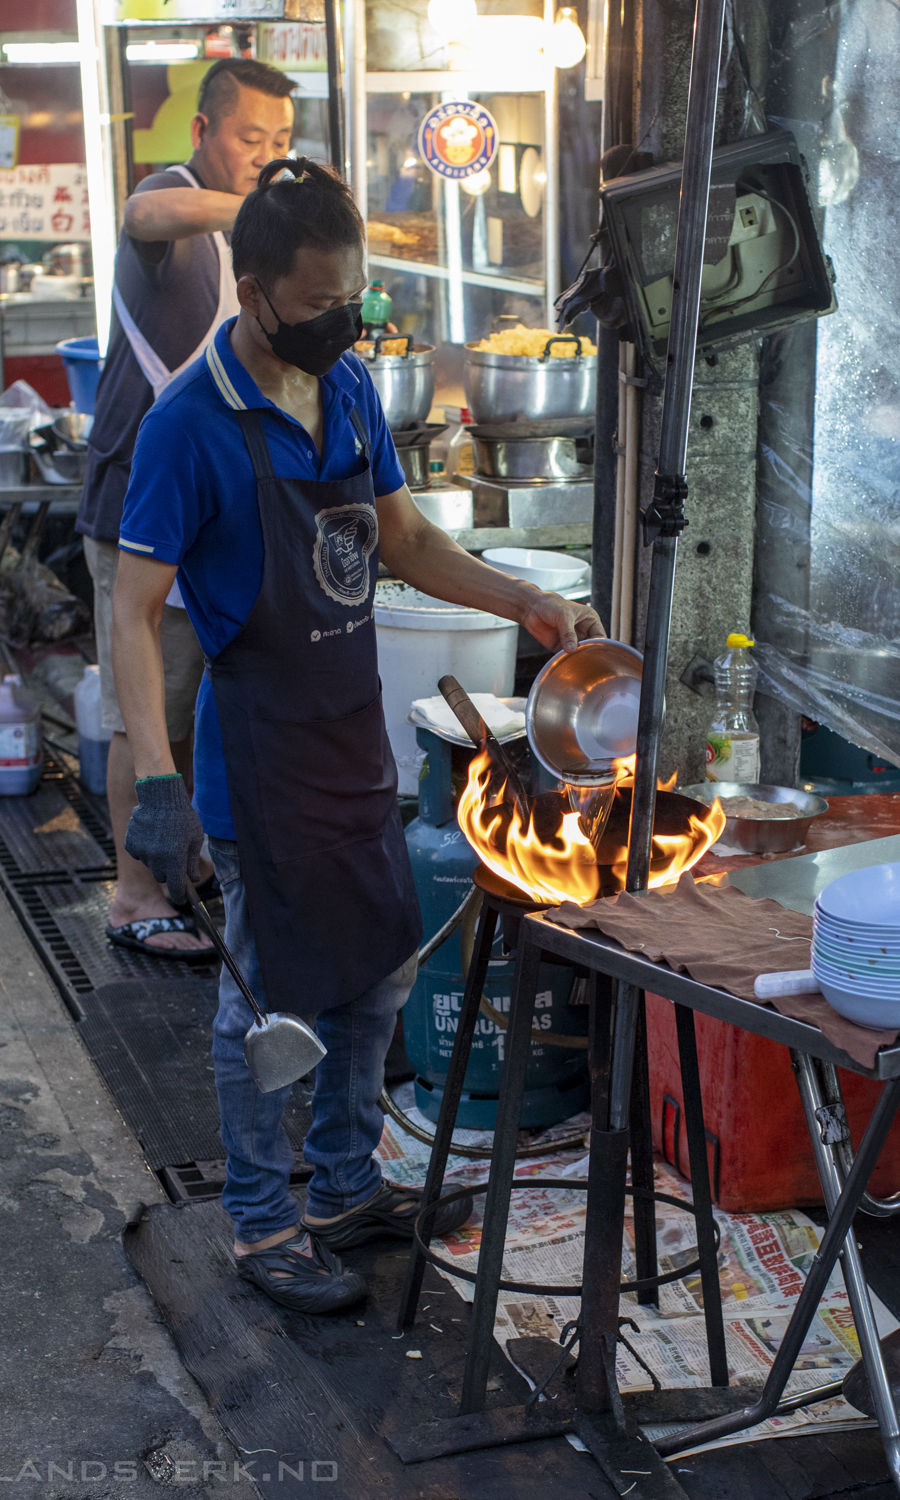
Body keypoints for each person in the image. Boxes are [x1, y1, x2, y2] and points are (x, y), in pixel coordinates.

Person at [111, 159, 605, 1312]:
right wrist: (154, 778)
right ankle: (260, 1221)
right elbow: (129, 611)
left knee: (375, 975)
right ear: (256, 288)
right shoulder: (190, 426)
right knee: (267, 1008)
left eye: (356, 302)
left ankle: (339, 1185)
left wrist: (519, 603)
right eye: (321, 304)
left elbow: (406, 543)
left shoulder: (344, 395)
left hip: (348, 734)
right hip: (261, 749)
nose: (344, 323)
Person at [76, 58, 296, 959]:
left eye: (280, 142)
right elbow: (142, 216)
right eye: (251, 139)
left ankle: (185, 865)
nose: (265, 156)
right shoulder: (174, 200)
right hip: (135, 504)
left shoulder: (234, 239)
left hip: (202, 513)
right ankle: (133, 895)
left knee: (195, 699)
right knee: (149, 706)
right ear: (203, 133)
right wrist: (263, 208)